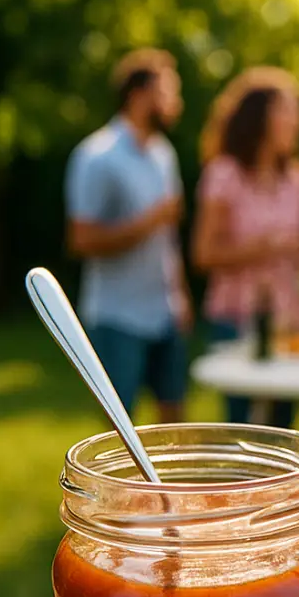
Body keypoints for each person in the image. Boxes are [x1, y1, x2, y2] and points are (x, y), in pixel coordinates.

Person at [64, 48, 189, 423]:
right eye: (168, 92)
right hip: (117, 316)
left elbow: (169, 237)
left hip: (164, 313)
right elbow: (81, 240)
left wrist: (180, 294)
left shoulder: (163, 153)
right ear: (139, 95)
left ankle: (166, 487)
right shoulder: (96, 156)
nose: (175, 102)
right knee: (119, 432)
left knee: (175, 426)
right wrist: (149, 221)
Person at [191, 66, 299, 427]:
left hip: (286, 321)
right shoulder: (223, 174)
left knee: (283, 433)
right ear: (263, 117)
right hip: (235, 317)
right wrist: (260, 249)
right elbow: (202, 254)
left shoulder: (297, 179)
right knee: (242, 433)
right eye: (290, 110)